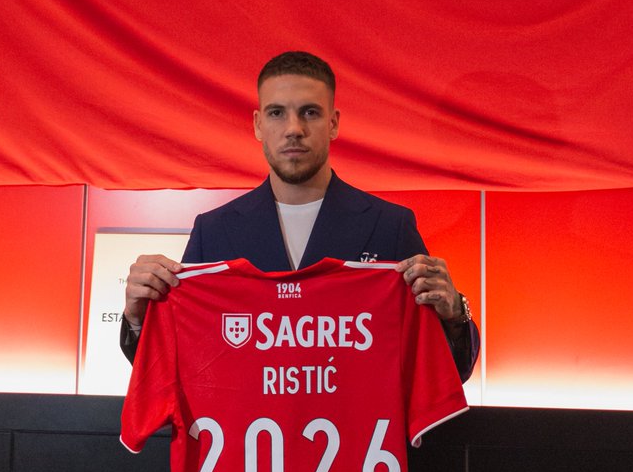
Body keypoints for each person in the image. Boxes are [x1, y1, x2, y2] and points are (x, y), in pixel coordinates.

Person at [121, 51, 479, 381]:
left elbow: (444, 374)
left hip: (357, 431)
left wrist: (454, 314)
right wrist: (137, 320)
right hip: (248, 431)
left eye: (310, 112)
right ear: (258, 124)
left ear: (333, 123)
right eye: (277, 113)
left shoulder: (390, 226)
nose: (294, 128)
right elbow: (175, 370)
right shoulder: (213, 231)